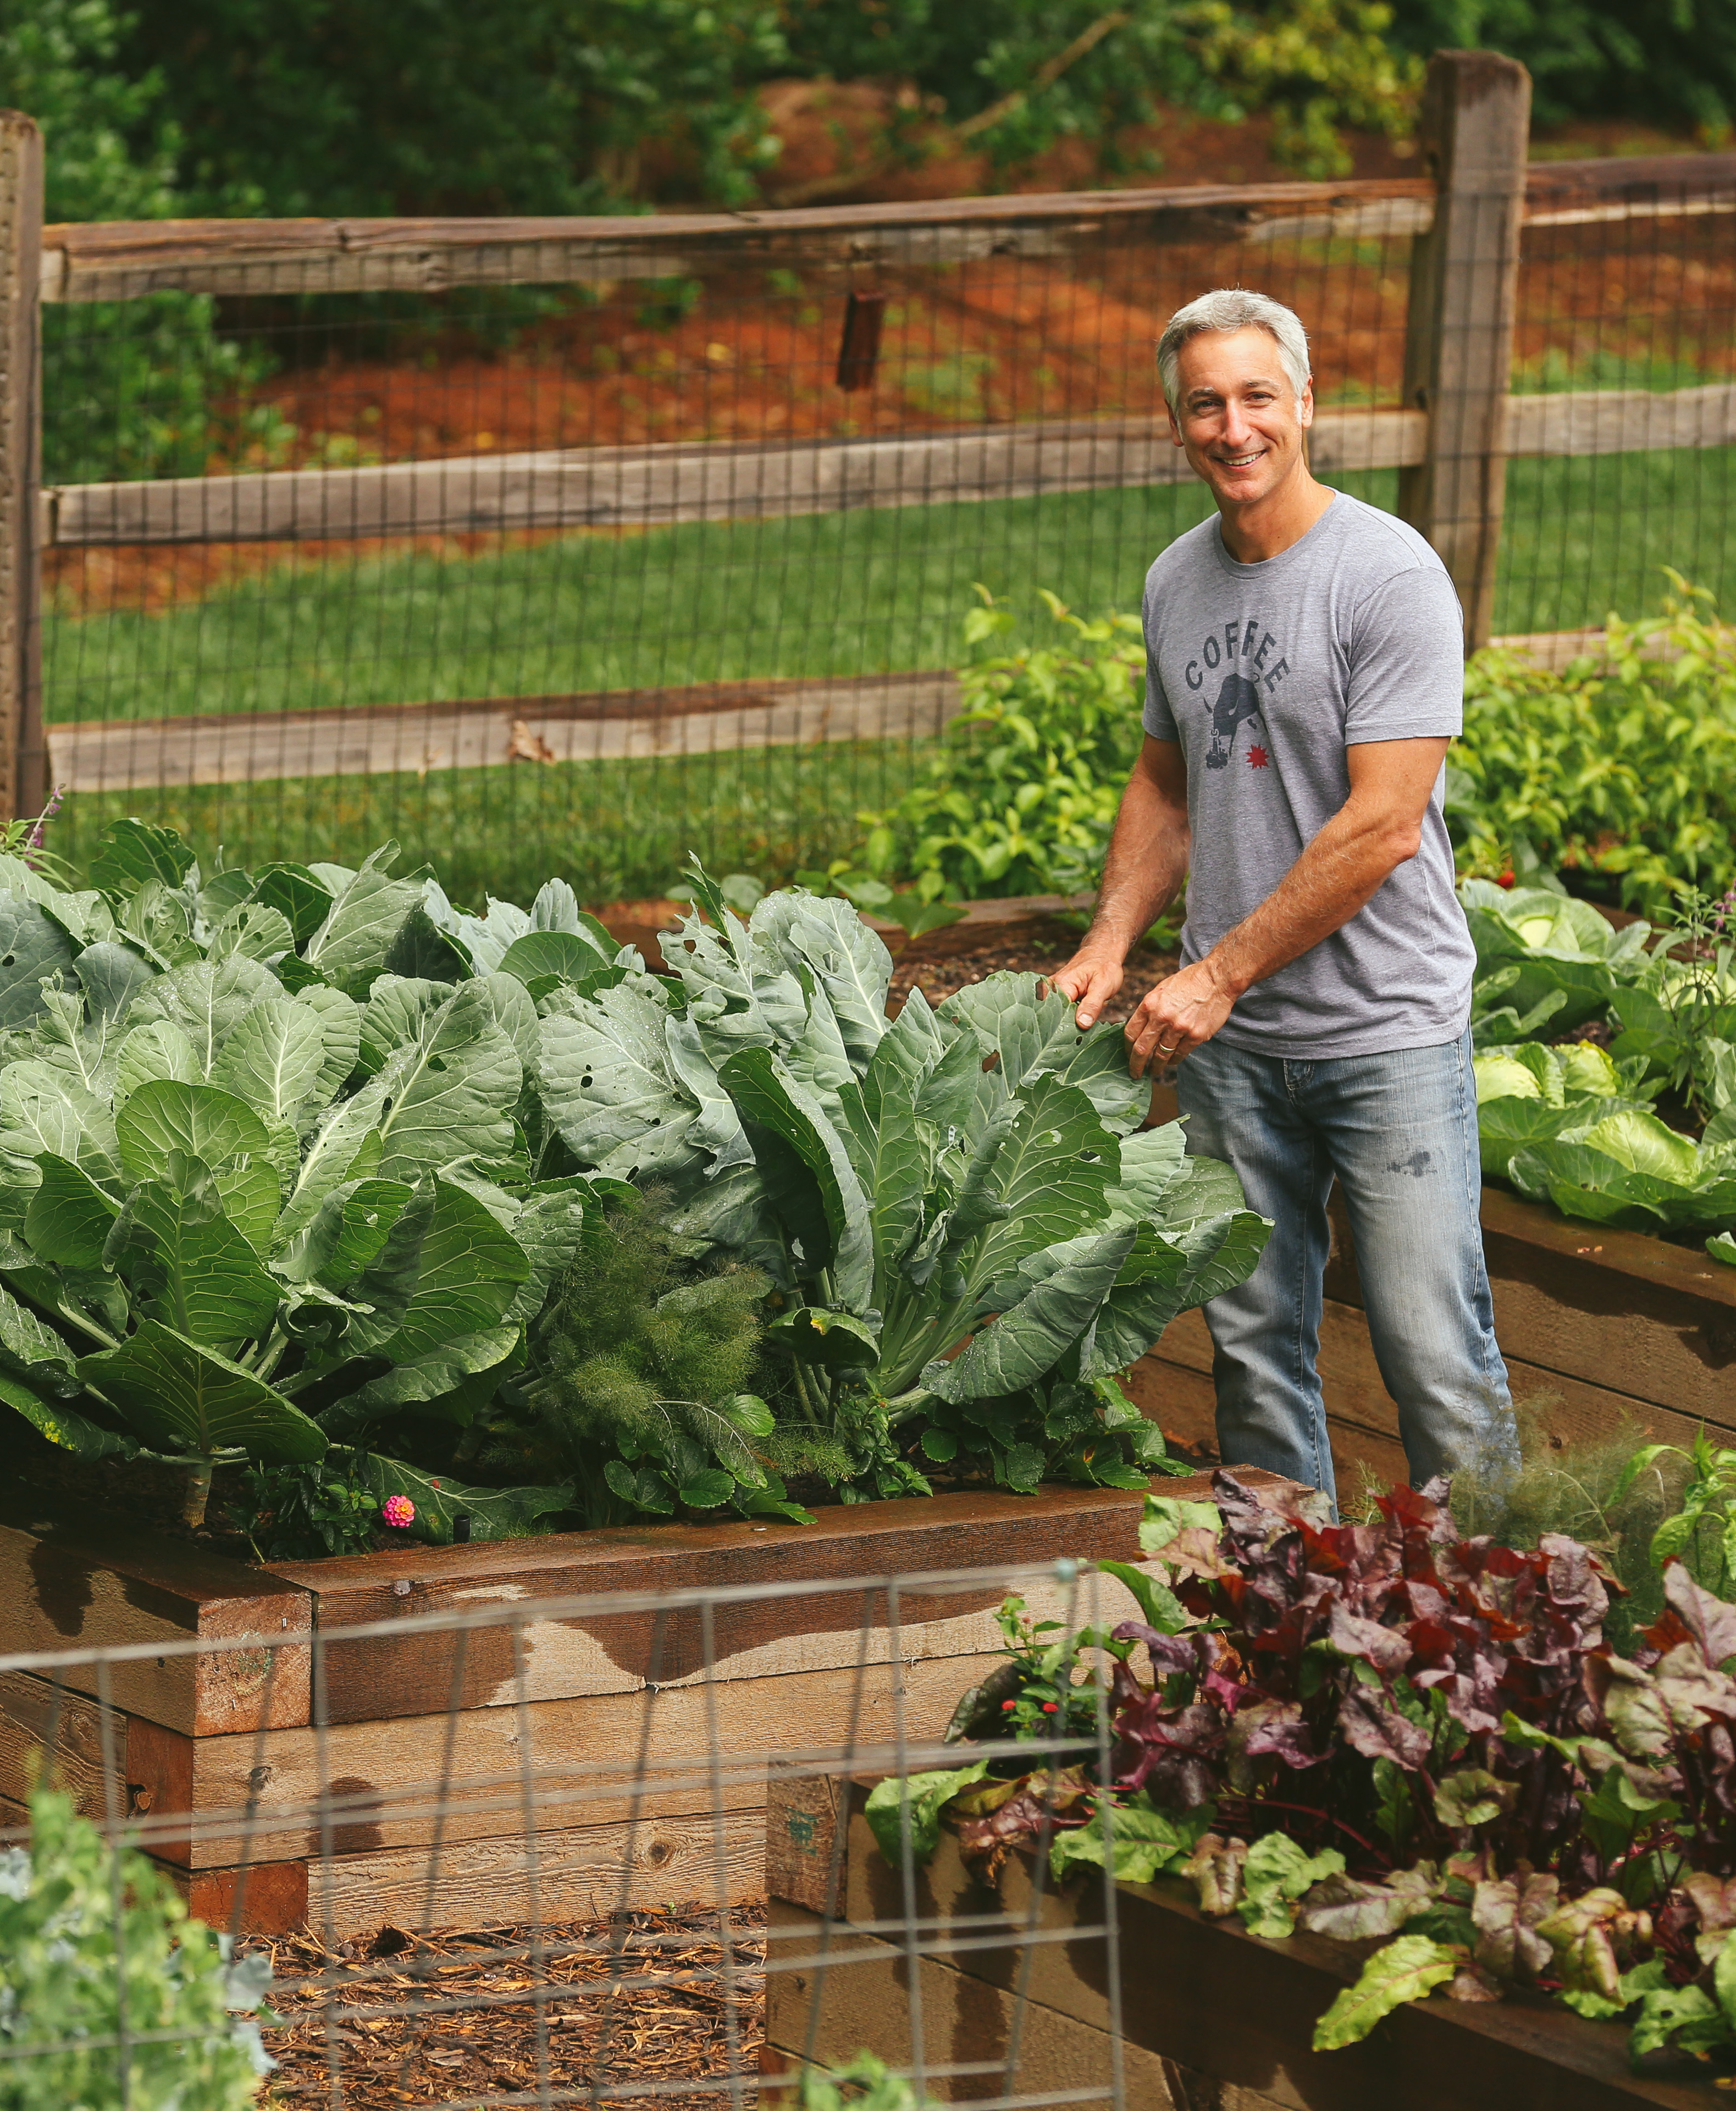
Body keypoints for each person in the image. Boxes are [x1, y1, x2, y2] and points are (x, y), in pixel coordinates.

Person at [1052, 287, 1514, 1507]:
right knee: (1255, 1359)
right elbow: (1165, 778)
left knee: (1432, 1359)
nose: (1233, 425)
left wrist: (1213, 973)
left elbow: (1382, 827)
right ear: (1177, 424)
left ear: (1306, 403)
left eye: (1258, 395)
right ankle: (1289, 1642)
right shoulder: (1176, 580)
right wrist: (1114, 941)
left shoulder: (1387, 576)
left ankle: (1505, 1640)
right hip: (1238, 1055)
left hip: (1385, 1034)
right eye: (1205, 402)